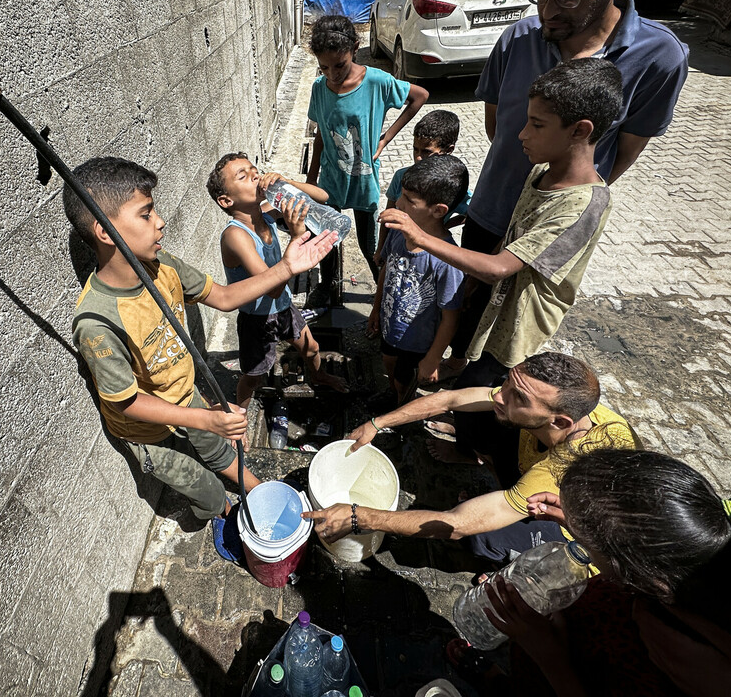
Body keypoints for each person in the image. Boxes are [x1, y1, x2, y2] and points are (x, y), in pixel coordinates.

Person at [447, 0, 689, 379]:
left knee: (508, 338)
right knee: (462, 314)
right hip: (492, 211)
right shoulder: (518, 38)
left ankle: (478, 423)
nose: (548, 10)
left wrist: (560, 206)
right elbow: (499, 128)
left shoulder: (660, 57)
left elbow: (619, 157)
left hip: (548, 232)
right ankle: (450, 387)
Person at [64, 156, 335, 561]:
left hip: (184, 397)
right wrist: (208, 418)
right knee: (203, 487)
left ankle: (259, 493)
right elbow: (126, 401)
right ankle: (225, 514)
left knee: (221, 452)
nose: (160, 222)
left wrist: (286, 267)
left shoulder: (162, 265)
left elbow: (224, 298)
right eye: (146, 213)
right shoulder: (96, 321)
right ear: (105, 232)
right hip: (146, 431)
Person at [381, 58, 622, 463]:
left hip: (519, 322)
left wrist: (419, 235)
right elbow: (512, 242)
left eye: (538, 125)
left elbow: (502, 267)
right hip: (497, 304)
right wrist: (476, 279)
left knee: (500, 394)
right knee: (476, 374)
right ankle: (465, 429)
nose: (522, 134)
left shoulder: (583, 205)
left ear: (580, 131)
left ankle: (478, 454)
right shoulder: (540, 173)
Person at [480, 449, 731, 696]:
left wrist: (546, 651)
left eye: (583, 538)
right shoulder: (723, 556)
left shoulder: (676, 646)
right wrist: (584, 525)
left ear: (629, 570)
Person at [303, 353, 638, 567]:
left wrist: (361, 517)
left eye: (517, 397)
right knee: (480, 413)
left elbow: (456, 525)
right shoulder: (548, 412)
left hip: (577, 540)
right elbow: (450, 399)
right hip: (531, 467)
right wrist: (377, 424)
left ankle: (516, 554)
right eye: (508, 383)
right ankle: (496, 483)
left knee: (481, 540)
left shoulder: (571, 467)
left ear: (561, 422)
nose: (500, 395)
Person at [304, 14, 429, 303]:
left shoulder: (376, 81)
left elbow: (420, 96)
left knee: (370, 242)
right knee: (326, 235)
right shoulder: (318, 89)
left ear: (355, 49)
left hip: (363, 181)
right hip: (330, 181)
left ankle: (382, 290)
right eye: (324, 67)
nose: (332, 74)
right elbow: (321, 131)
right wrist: (311, 179)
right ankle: (327, 286)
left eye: (340, 65)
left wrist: (385, 139)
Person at [205, 153, 347, 408]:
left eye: (254, 170)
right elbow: (272, 288)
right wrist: (296, 237)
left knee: (312, 349)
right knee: (253, 376)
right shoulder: (236, 236)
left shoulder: (267, 215)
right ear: (226, 200)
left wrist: (288, 182)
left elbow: (323, 197)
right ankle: (239, 419)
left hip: (283, 306)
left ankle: (318, 376)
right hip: (257, 318)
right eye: (243, 176)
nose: (255, 176)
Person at [369, 155, 468, 409]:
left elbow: (451, 317)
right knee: (388, 363)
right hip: (390, 327)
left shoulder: (447, 260)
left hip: (418, 343)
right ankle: (394, 395)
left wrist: (434, 358)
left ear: (438, 210)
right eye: (401, 196)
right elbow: (386, 269)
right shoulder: (398, 232)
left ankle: (402, 407)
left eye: (409, 201)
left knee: (405, 380)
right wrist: (376, 307)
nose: (398, 204)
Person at [374, 109, 465, 268]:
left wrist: (446, 226)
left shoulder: (453, 187)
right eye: (415, 149)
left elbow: (471, 214)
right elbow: (389, 216)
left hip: (428, 256)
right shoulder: (401, 177)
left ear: (448, 150)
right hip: (396, 245)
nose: (418, 157)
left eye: (426, 152)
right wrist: (380, 248)